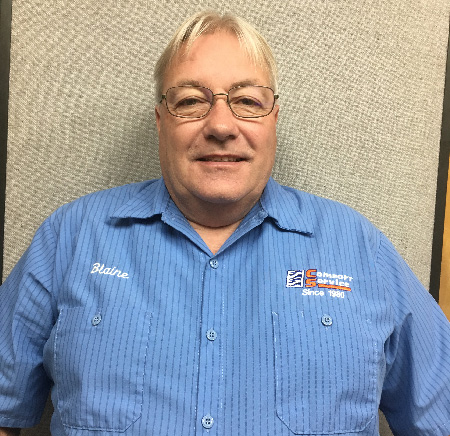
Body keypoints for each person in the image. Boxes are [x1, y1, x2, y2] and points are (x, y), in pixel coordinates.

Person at [0, 10, 449, 436]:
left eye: (248, 101)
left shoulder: (359, 249)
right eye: (191, 100)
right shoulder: (71, 239)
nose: (220, 124)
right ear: (160, 122)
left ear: (274, 120)